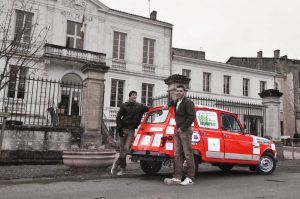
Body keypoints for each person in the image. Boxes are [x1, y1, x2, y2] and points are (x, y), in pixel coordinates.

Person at [111, 90, 149, 175]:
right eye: (132, 95)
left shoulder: (139, 106)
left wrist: (157, 111)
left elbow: (148, 109)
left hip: (131, 131)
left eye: (135, 95)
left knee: (126, 149)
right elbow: (118, 117)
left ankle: (116, 164)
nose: (134, 96)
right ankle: (122, 169)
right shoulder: (124, 105)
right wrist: (119, 129)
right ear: (129, 96)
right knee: (122, 150)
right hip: (123, 129)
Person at [164, 85, 196, 185]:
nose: (178, 92)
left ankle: (190, 178)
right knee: (177, 154)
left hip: (185, 130)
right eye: (177, 91)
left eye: (180, 91)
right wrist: (168, 105)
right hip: (178, 130)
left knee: (188, 154)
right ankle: (177, 177)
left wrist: (183, 128)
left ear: (184, 92)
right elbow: (172, 101)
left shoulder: (188, 102)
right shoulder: (177, 101)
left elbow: (192, 116)